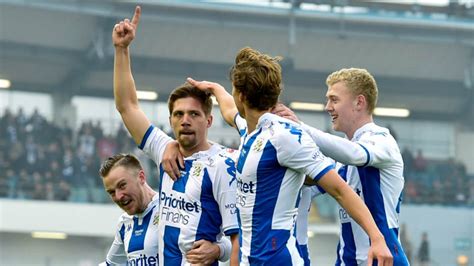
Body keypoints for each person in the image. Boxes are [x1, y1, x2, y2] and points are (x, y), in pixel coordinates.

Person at [186, 47, 392, 265]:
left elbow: (340, 190)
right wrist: (214, 88)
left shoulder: (284, 136)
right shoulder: (251, 131)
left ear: (242, 95)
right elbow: (229, 112)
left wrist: (377, 239)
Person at [112, 6, 239, 265]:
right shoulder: (163, 150)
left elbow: (240, 237)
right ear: (170, 120)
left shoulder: (223, 165)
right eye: (179, 114)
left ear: (209, 120)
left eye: (194, 114)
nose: (185, 120)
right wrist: (122, 50)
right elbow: (127, 106)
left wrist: (218, 250)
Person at [272, 68, 409, 265]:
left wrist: (299, 127)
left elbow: (355, 154)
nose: (328, 107)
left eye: (334, 100)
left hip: (382, 259)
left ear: (359, 102)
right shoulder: (340, 161)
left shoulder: (382, 141)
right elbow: (304, 188)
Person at [99, 153, 231, 265]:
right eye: (111, 192)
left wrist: (217, 250)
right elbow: (111, 263)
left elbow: (225, 242)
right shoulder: (124, 223)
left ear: (141, 177)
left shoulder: (170, 207)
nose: (118, 196)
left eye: (122, 185)